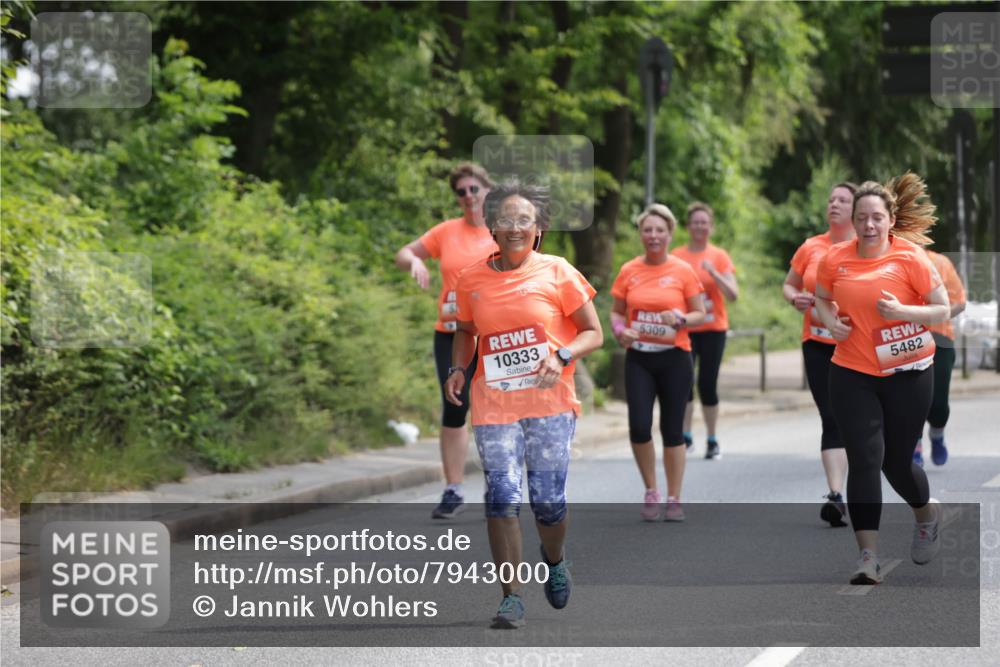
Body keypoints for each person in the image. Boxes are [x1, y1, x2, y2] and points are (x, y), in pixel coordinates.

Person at [444, 179, 602, 629]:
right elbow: (466, 332)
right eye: (506, 219)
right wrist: (457, 370)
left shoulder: (558, 272)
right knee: (502, 496)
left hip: (550, 404)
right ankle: (511, 596)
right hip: (494, 404)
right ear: (492, 224)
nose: (514, 227)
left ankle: (554, 559)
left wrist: (563, 354)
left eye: (523, 220)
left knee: (548, 503)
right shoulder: (471, 279)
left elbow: (594, 332)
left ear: (539, 227)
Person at [813, 173, 950, 585]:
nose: (869, 225)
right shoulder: (834, 257)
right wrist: (829, 322)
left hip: (908, 372)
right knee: (865, 459)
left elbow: (942, 310)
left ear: (890, 219)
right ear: (852, 221)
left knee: (896, 463)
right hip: (853, 370)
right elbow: (821, 295)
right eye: (861, 218)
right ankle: (867, 556)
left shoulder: (911, 257)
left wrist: (905, 313)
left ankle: (926, 512)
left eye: (876, 217)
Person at [394, 162, 497, 519]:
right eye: (461, 192)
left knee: (492, 409)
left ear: (487, 190)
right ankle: (453, 489)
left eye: (474, 189)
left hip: (491, 333)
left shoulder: (499, 230)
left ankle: (497, 484)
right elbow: (404, 252)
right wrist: (415, 264)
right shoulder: (446, 232)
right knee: (455, 406)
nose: (468, 196)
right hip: (451, 333)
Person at [610, 204, 706, 522]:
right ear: (640, 234)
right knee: (639, 426)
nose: (653, 236)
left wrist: (680, 318)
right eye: (647, 230)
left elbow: (699, 313)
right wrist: (621, 331)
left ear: (669, 233)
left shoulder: (682, 270)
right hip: (639, 357)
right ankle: (651, 489)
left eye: (659, 230)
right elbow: (615, 311)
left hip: (675, 358)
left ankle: (674, 497)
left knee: (672, 428)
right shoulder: (629, 270)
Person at [782, 182, 857, 527]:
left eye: (843, 200)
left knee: (853, 418)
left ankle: (860, 487)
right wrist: (794, 298)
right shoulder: (811, 246)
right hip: (816, 342)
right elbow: (790, 284)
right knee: (830, 415)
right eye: (831, 199)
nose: (835, 204)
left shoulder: (865, 248)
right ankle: (835, 495)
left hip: (856, 346)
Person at [671, 202, 739, 459]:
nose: (700, 227)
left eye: (704, 222)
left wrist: (715, 273)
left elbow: (733, 295)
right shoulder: (677, 255)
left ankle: (712, 439)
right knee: (684, 384)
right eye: (695, 222)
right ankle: (686, 436)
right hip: (686, 328)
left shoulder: (719, 256)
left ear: (711, 227)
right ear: (688, 227)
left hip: (713, 329)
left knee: (708, 385)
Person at [913, 248, 966, 467]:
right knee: (909, 397)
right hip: (903, 339)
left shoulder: (939, 262)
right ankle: (914, 445)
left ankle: (937, 433)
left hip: (939, 337)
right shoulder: (887, 261)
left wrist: (933, 314)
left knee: (938, 404)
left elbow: (959, 302)